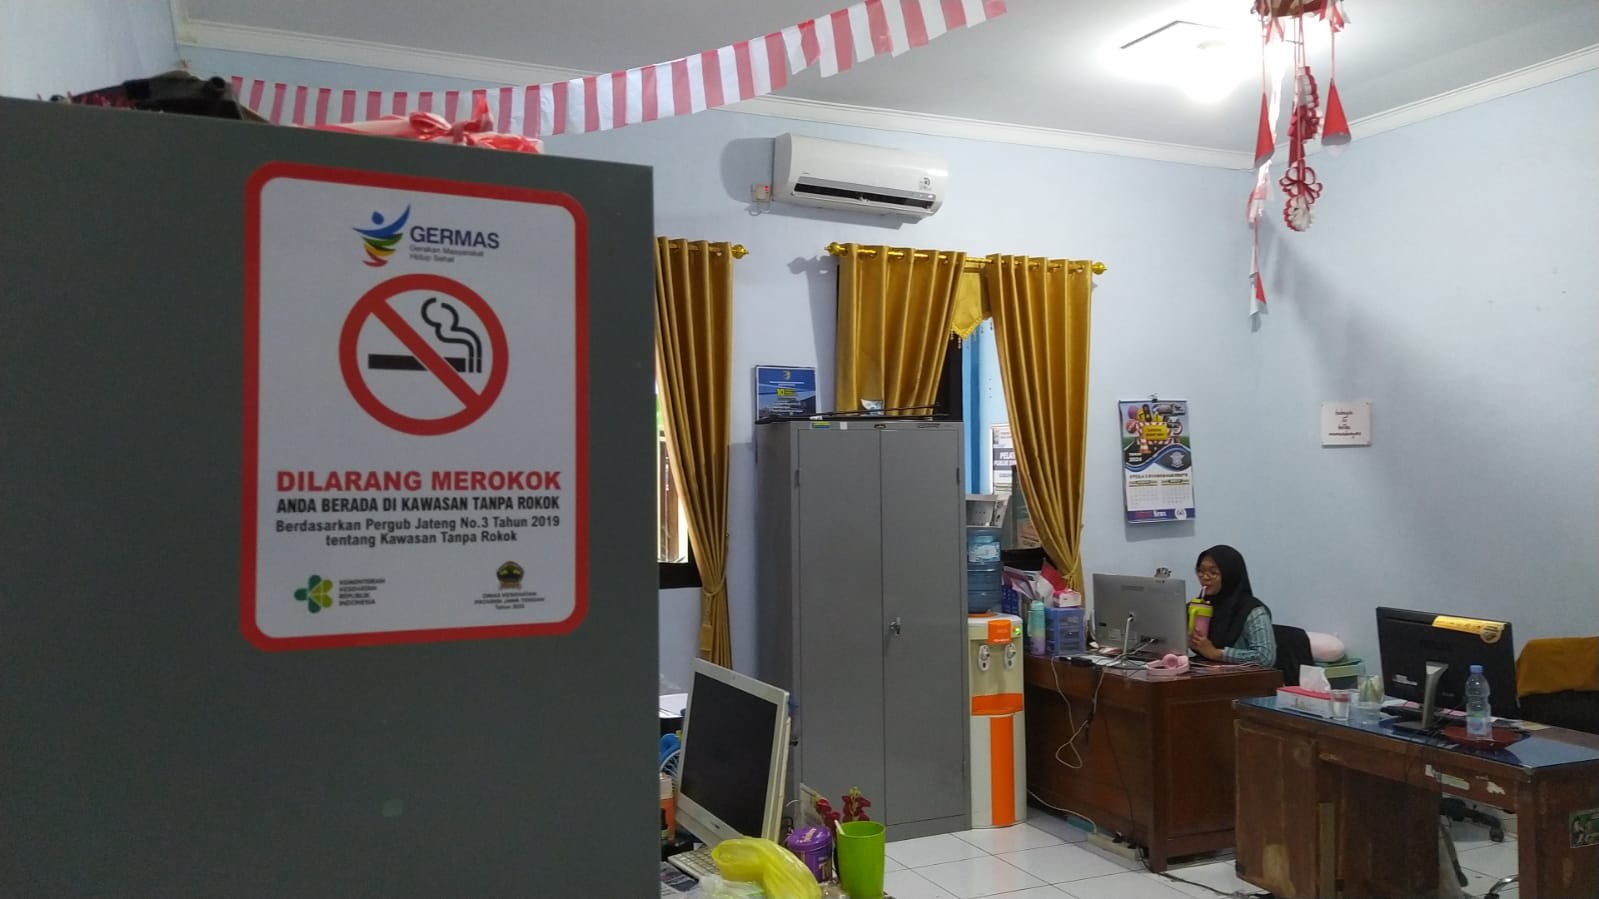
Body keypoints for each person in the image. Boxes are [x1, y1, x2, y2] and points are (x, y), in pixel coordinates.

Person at [1188, 545, 1277, 667]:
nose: (1205, 577)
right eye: (1200, 571)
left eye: (1213, 573)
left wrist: (1217, 654)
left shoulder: (1253, 611)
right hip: (1205, 672)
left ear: (1230, 575)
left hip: (1243, 677)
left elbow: (1265, 658)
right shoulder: (1199, 606)